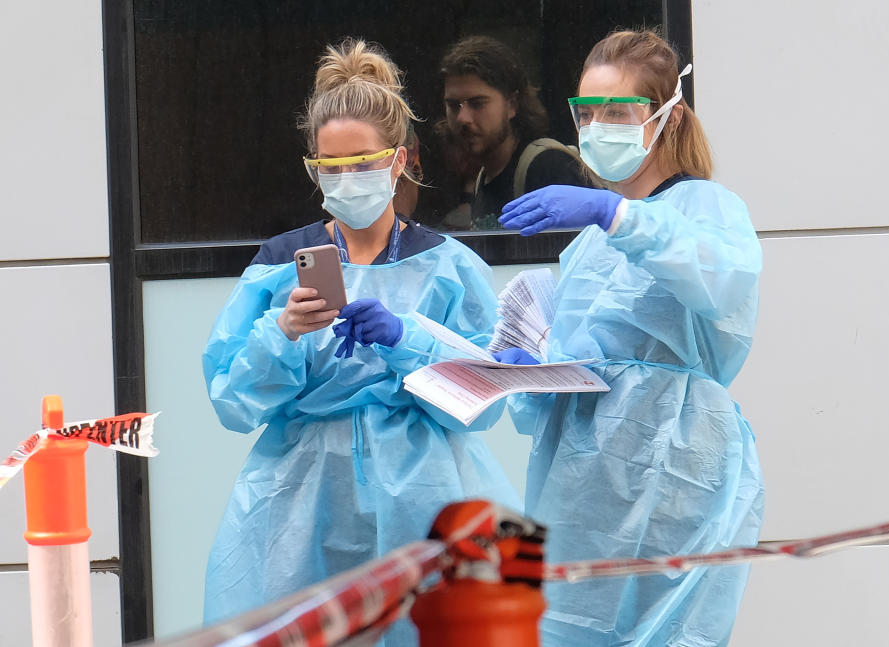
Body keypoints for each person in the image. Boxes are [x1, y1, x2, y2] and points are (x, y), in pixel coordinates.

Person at [201, 38, 519, 643]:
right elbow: (232, 398)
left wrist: (409, 341)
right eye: (331, 166)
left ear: (398, 161)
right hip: (302, 499)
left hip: (424, 492)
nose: (346, 180)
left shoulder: (448, 266)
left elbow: (486, 397)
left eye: (362, 163)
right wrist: (283, 333)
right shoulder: (278, 268)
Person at [496, 29, 764, 647]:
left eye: (618, 112)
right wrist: (532, 374)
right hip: (583, 491)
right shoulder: (589, 247)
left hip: (676, 473)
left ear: (665, 117)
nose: (596, 129)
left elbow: (721, 281)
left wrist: (615, 214)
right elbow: (586, 365)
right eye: (585, 114)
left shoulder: (706, 209)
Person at [439, 35, 589, 230]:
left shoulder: (547, 167)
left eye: (477, 104)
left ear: (512, 105)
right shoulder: (482, 178)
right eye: (453, 105)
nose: (463, 118)